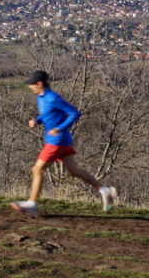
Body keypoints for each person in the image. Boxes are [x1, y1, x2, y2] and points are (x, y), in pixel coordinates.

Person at [10, 70, 116, 215]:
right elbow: (48, 114)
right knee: (73, 171)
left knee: (37, 170)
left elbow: (75, 113)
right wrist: (38, 120)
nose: (30, 87)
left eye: (32, 84)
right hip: (64, 141)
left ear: (39, 84)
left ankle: (32, 204)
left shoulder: (53, 98)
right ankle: (104, 190)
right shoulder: (41, 97)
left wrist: (60, 128)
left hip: (56, 141)